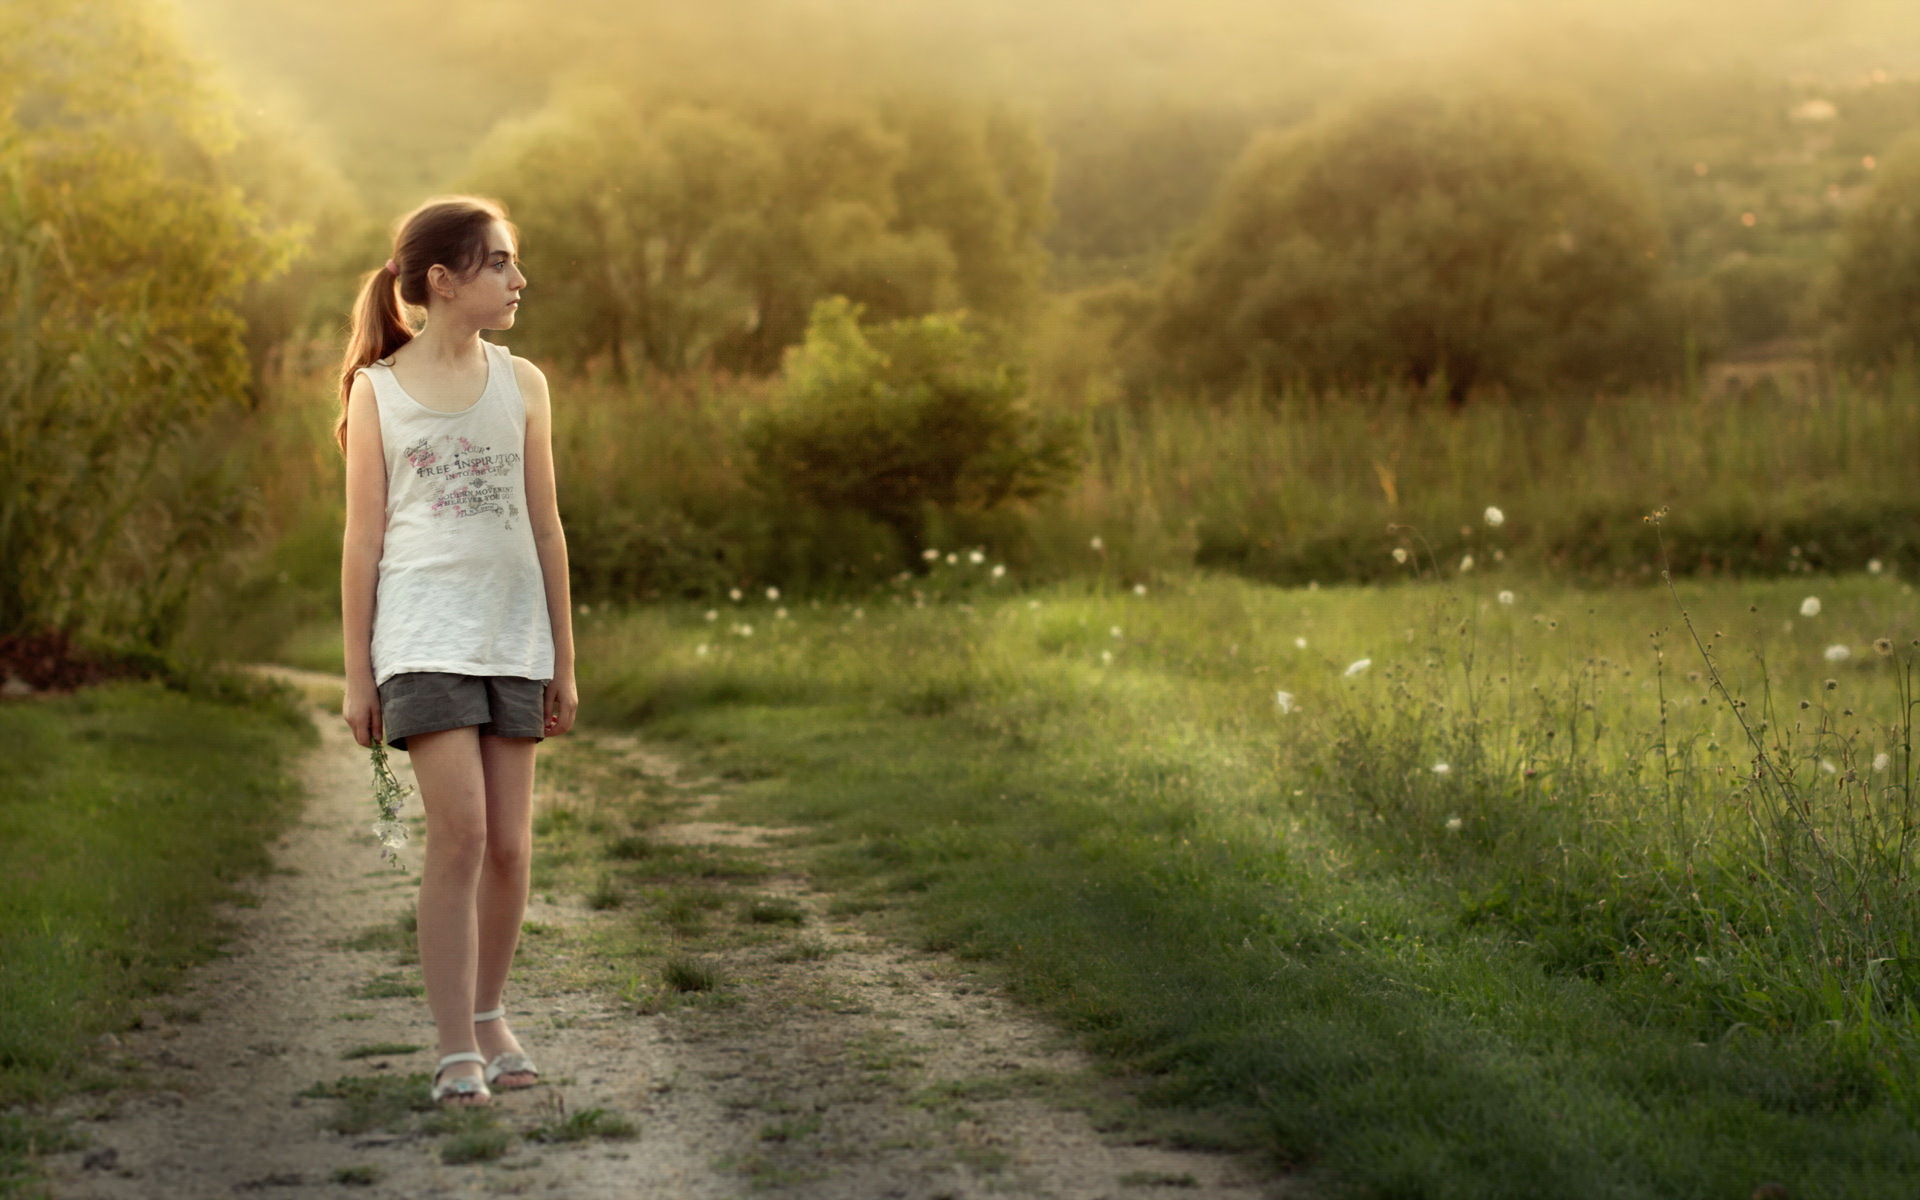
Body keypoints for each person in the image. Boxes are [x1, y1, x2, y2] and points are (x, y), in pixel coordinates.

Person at [335, 195, 578, 1107]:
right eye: (500, 264)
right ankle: (453, 1050)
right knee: (463, 834)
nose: (519, 281)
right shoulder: (378, 392)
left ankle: (487, 1014)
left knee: (512, 848)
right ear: (443, 281)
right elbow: (362, 542)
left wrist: (564, 656)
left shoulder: (525, 384)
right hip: (421, 639)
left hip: (514, 637)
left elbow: (547, 529)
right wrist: (359, 671)